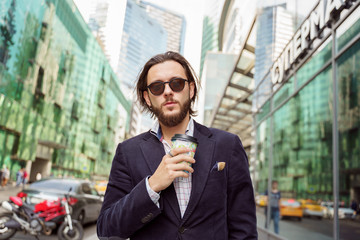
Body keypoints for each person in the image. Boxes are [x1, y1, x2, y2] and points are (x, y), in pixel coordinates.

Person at [97, 51, 257, 239]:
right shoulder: (128, 152)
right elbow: (107, 229)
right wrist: (152, 186)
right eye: (157, 87)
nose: (168, 91)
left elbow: (244, 230)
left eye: (176, 83)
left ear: (190, 89)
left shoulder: (228, 145)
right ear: (148, 98)